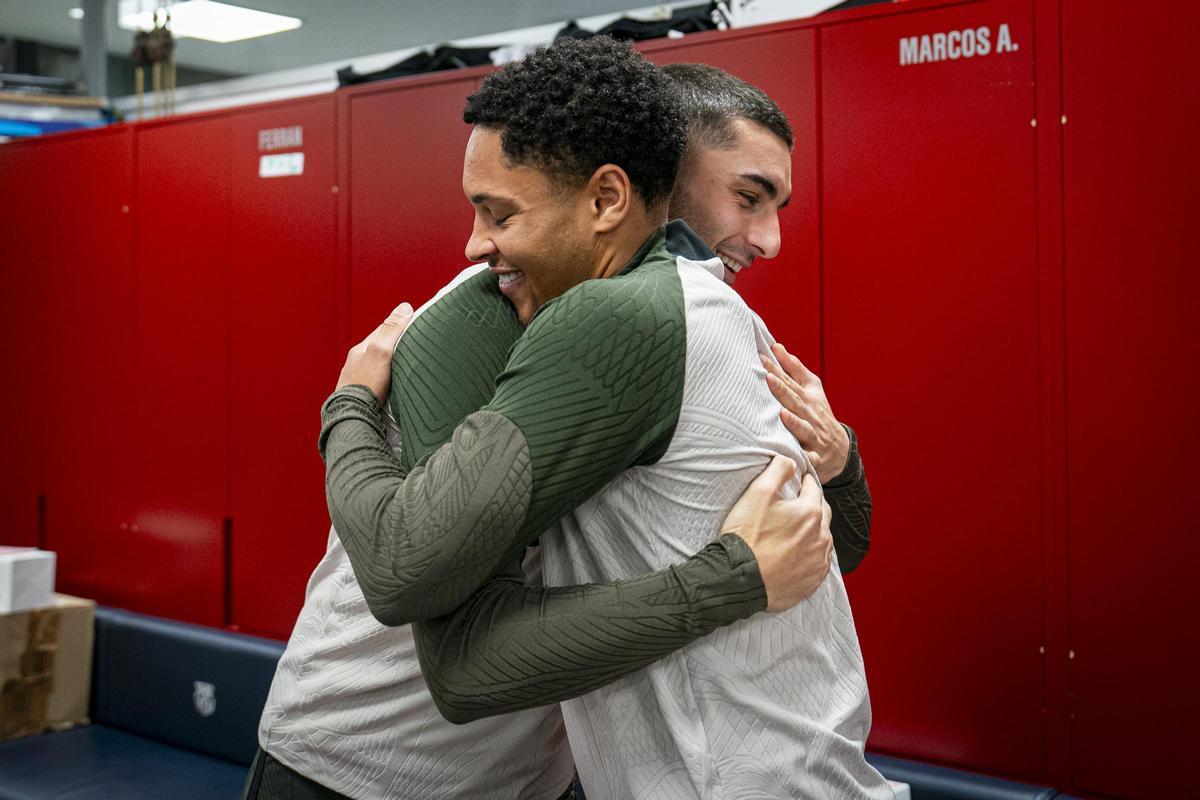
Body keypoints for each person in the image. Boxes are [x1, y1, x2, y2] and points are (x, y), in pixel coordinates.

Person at [317, 37, 889, 799]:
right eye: (747, 197)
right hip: (368, 763)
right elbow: (417, 591)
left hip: (546, 766)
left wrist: (840, 460)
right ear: (630, 186)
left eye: (498, 211)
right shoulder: (519, 305)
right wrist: (348, 405)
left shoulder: (676, 310)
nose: (770, 240)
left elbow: (822, 555)